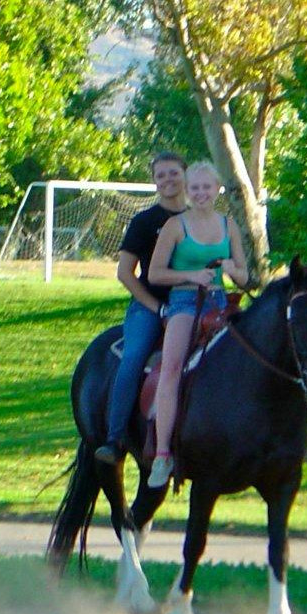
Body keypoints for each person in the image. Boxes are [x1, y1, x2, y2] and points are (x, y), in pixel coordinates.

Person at [146, 161, 248, 487]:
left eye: (207, 187)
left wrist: (232, 269)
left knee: (255, 356)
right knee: (173, 367)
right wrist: (191, 275)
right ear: (187, 191)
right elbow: (154, 274)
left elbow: (245, 277)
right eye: (195, 188)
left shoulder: (229, 225)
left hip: (220, 301)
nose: (201, 193)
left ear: (217, 189)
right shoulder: (175, 226)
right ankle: (162, 453)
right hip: (185, 301)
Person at [94, 152, 188, 465]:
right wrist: (157, 308)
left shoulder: (200, 219)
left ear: (185, 175)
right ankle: (115, 438)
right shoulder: (144, 222)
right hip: (150, 306)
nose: (168, 180)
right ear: (155, 182)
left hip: (193, 303)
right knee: (134, 357)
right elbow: (125, 273)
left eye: (173, 173)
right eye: (161, 175)